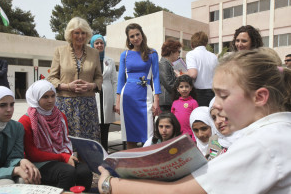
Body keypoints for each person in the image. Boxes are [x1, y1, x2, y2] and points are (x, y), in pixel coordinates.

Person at [97, 49, 291, 194]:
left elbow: (178, 192)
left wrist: (109, 183)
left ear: (259, 97)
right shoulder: (276, 132)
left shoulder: (263, 142)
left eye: (223, 95)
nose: (216, 104)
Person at [18, 80, 93, 191]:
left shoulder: (60, 115)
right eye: (45, 97)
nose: (50, 100)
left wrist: (66, 156)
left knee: (85, 171)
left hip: (59, 157)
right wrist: (62, 157)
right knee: (67, 172)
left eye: (53, 96)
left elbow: (65, 142)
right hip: (38, 162)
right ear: (35, 98)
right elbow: (32, 154)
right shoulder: (26, 120)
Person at [47, 17, 103, 142]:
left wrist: (92, 86)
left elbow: (99, 77)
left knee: (88, 143)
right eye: (76, 33)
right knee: (65, 140)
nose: (80, 36)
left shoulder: (94, 53)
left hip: (88, 105)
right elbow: (51, 78)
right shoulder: (59, 51)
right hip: (65, 105)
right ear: (70, 34)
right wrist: (67, 86)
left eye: (83, 33)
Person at [115, 23, 161, 149]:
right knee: (130, 135)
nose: (135, 38)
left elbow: (156, 77)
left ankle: (147, 165)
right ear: (128, 39)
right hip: (128, 97)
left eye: (137, 34)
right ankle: (132, 165)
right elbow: (120, 79)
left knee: (148, 135)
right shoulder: (124, 55)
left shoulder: (152, 53)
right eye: (132, 36)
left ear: (142, 34)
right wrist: (117, 101)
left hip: (145, 96)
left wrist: (156, 100)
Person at [0, 86, 41, 186]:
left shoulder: (17, 128)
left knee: (26, 178)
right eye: (2, 105)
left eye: (12, 104)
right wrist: (14, 170)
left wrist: (21, 162)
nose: (9, 109)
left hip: (4, 171)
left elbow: (14, 156)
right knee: (7, 183)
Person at [91, 34, 117, 151]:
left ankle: (105, 151)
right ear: (92, 45)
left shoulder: (110, 61)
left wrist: (116, 101)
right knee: (94, 125)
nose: (99, 45)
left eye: (101, 43)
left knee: (105, 126)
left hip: (107, 95)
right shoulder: (88, 61)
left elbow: (114, 81)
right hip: (93, 94)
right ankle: (95, 153)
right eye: (97, 43)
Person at [186, 31, 218, 106]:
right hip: (213, 92)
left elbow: (193, 74)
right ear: (206, 43)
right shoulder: (213, 56)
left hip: (199, 93)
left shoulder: (191, 54)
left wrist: (181, 74)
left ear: (192, 44)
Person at [171, 75, 198, 142]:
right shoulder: (175, 103)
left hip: (190, 135)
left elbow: (196, 121)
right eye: (181, 87)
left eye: (187, 86)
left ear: (191, 88)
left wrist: (194, 137)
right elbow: (172, 120)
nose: (184, 89)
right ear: (177, 89)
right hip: (177, 135)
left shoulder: (193, 102)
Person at [159, 39, 182, 112]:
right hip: (166, 102)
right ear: (172, 51)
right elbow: (169, 84)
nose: (179, 54)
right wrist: (179, 77)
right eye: (179, 51)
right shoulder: (164, 64)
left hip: (169, 101)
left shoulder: (168, 63)